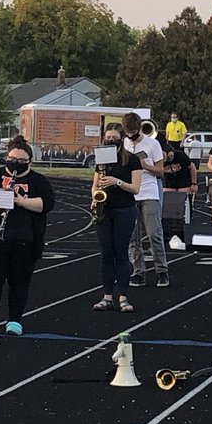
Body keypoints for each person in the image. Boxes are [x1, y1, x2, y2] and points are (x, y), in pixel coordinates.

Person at [0, 137, 55, 335]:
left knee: (19, 282)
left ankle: (14, 321)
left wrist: (21, 201)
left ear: (29, 161)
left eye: (20, 160)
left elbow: (46, 204)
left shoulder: (39, 181)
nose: (15, 163)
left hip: (25, 239)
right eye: (11, 159)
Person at [92, 123, 143, 313]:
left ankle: (123, 296)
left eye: (114, 138)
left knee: (120, 252)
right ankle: (106, 296)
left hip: (124, 209)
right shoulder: (102, 159)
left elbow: (135, 188)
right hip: (104, 209)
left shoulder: (132, 160)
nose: (111, 141)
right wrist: (94, 197)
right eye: (108, 138)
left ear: (122, 138)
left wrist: (117, 182)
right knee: (106, 253)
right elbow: (95, 183)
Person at [122, 112, 168, 288]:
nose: (130, 135)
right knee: (133, 237)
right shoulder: (125, 143)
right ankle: (138, 272)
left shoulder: (152, 144)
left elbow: (160, 170)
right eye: (127, 132)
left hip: (149, 193)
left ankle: (161, 271)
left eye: (133, 131)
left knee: (154, 233)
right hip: (130, 193)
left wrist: (145, 166)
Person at [162, 142, 198, 250]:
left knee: (184, 203)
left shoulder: (180, 155)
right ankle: (168, 230)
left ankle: (185, 228)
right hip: (169, 183)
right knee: (167, 205)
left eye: (171, 156)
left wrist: (194, 183)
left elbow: (192, 167)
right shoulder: (159, 159)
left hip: (183, 181)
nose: (170, 158)